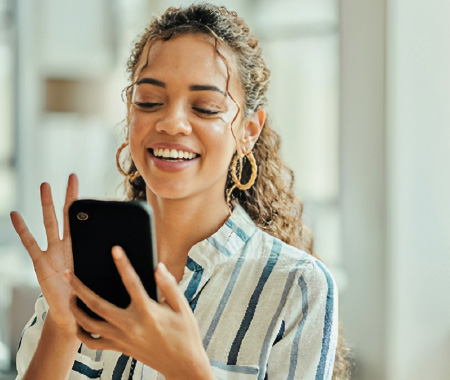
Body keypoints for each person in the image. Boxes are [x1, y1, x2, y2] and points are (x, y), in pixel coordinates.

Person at [10, 4, 350, 380]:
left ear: (249, 130)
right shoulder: (84, 263)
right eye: (150, 102)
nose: (171, 123)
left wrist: (187, 370)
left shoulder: (296, 285)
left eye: (205, 108)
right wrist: (60, 327)